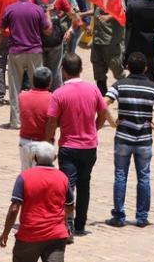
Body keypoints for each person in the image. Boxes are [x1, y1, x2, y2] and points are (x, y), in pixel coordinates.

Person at [104, 52, 154, 227]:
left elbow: (103, 103)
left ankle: (119, 216)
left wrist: (112, 122)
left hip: (123, 137)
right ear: (145, 68)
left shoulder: (120, 85)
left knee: (120, 176)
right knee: (143, 177)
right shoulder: (152, 87)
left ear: (127, 67)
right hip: (143, 138)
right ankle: (142, 217)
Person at [45, 53, 110, 236]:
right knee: (84, 185)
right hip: (89, 146)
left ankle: (68, 222)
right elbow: (104, 112)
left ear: (63, 71)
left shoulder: (59, 94)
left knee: (67, 186)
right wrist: (94, 129)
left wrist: (49, 139)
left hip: (68, 145)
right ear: (81, 69)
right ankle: (81, 224)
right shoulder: (93, 90)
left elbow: (52, 121)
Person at [0, 141, 73, 261]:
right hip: (56, 236)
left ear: (34, 157)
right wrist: (63, 222)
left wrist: (5, 233)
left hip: (29, 235)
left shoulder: (24, 177)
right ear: (55, 157)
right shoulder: (63, 178)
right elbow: (69, 206)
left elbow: (14, 209)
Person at [0, 0, 52, 129]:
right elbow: (47, 31)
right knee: (38, 88)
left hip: (15, 52)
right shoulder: (38, 10)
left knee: (14, 88)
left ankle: (16, 121)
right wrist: (48, 14)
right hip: (34, 52)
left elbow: (0, 32)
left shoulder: (10, 10)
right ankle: (37, 120)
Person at [31, 0, 78, 91]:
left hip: (38, 39)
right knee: (56, 69)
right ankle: (57, 94)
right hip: (56, 40)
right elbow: (74, 15)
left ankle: (41, 94)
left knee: (39, 69)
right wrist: (71, 30)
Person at [19, 67, 53, 171]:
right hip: (43, 143)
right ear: (49, 83)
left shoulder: (22, 96)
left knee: (25, 176)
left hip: (25, 142)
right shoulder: (52, 98)